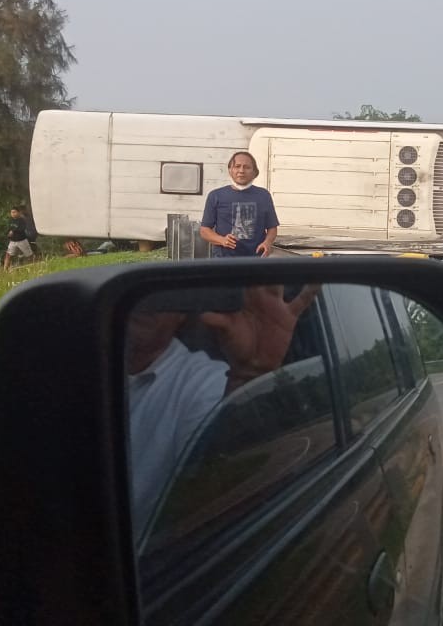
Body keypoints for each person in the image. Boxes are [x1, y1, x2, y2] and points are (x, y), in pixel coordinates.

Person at [126, 284, 319, 541]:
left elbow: (213, 480)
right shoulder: (85, 361)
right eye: (140, 290)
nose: (147, 303)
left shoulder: (202, 384)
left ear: (182, 313)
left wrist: (248, 377)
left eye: (162, 294)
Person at [200, 152, 279, 258]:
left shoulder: (263, 195)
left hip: (257, 260)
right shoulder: (216, 195)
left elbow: (272, 227)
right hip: (224, 260)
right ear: (230, 170)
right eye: (237, 166)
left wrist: (267, 243)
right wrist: (222, 240)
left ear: (254, 172)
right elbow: (204, 230)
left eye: (247, 167)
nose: (241, 171)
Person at [3, 205, 33, 269]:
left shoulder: (22, 220)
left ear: (18, 212)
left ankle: (33, 266)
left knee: (29, 255)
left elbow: (22, 229)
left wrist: (13, 231)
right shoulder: (10, 220)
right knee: (8, 255)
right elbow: (8, 229)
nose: (13, 214)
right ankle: (5, 269)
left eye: (14, 212)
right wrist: (8, 234)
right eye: (11, 212)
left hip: (22, 241)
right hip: (13, 241)